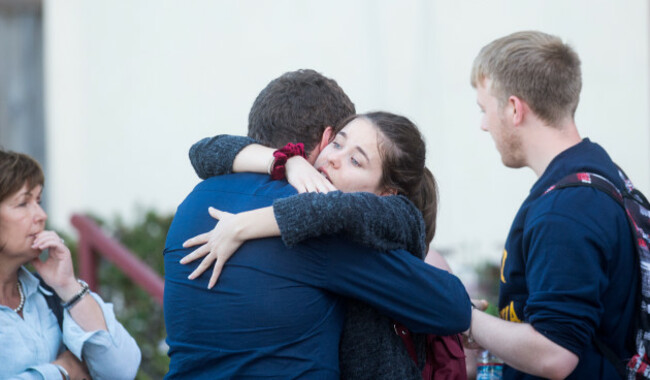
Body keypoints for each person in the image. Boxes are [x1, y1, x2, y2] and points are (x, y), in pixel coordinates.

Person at [163, 69, 471, 379]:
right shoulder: (324, 233)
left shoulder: (194, 203)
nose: (336, 158)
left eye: (356, 159)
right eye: (338, 144)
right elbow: (452, 307)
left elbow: (203, 151)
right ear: (326, 139)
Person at [464, 31, 638, 379]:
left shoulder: (566, 210)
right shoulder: (597, 173)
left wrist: (462, 318)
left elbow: (554, 354)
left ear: (514, 108)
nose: (484, 125)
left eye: (485, 109)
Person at [0, 149, 141, 380]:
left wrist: (67, 286)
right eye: (23, 203)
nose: (41, 215)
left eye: (39, 201)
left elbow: (122, 370)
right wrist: (62, 372)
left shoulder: (46, 292)